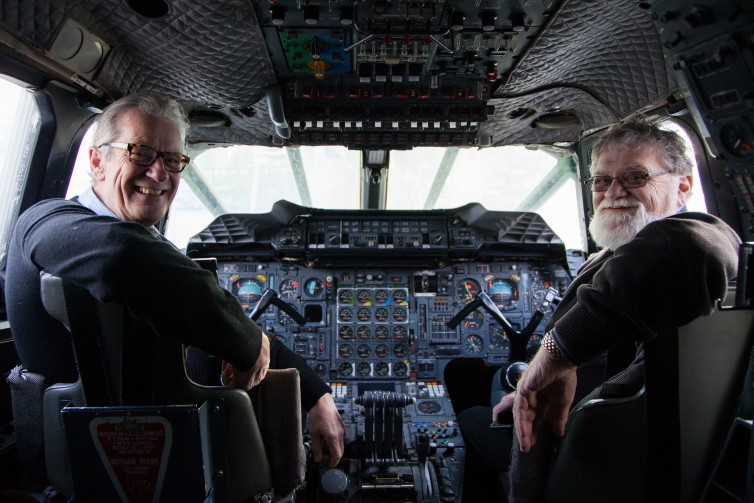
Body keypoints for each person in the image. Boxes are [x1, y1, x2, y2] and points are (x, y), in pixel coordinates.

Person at [1, 93, 345, 483]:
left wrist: (316, 393)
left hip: (183, 461)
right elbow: (123, 256)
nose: (159, 173)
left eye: (172, 160)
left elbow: (224, 320)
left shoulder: (162, 256)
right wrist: (244, 341)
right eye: (141, 153)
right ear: (97, 161)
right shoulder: (43, 223)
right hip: (81, 478)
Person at [447, 117, 741, 499]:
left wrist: (555, 354)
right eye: (602, 180)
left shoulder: (684, 251)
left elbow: (697, 245)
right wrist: (535, 378)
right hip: (582, 432)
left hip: (576, 449)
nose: (614, 191)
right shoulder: (609, 258)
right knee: (502, 389)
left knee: (471, 416)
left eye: (635, 177)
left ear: (683, 186)